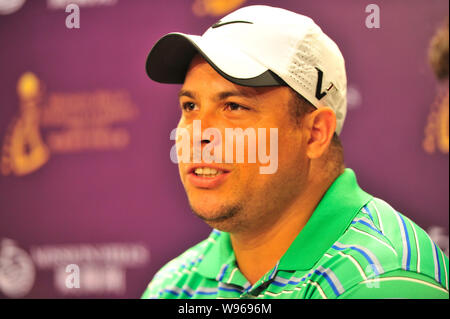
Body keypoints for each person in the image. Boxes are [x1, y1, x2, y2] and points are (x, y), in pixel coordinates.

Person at [141, 5, 449, 299]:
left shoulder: (385, 277)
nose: (198, 134)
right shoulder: (174, 285)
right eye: (190, 106)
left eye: (234, 106)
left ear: (315, 134)